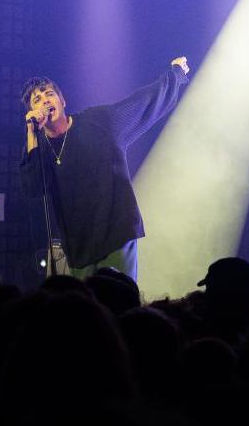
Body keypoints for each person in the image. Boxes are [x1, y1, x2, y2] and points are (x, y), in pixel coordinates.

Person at [20, 57, 190, 280]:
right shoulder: (38, 149)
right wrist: (31, 133)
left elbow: (143, 104)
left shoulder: (99, 122)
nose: (44, 101)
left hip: (116, 233)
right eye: (37, 99)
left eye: (48, 93)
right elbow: (33, 188)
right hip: (79, 247)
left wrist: (175, 74)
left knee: (119, 303)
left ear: (62, 101)